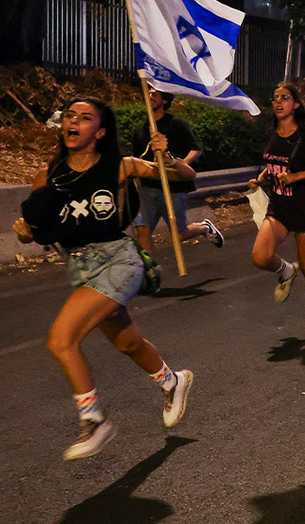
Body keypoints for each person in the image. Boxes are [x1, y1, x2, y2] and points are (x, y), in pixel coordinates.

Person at [12, 98, 196, 460]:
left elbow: (185, 177)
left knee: (61, 340)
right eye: (69, 115)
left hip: (117, 261)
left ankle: (93, 421)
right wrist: (23, 233)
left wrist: (168, 156)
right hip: (79, 267)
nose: (73, 121)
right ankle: (173, 381)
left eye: (85, 117)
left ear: (99, 132)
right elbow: (35, 230)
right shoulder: (48, 176)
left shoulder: (120, 166)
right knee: (128, 344)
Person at [248, 82, 305, 335]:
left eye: (285, 97)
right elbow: (273, 163)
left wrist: (297, 177)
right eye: (275, 97)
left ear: (296, 104)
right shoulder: (272, 133)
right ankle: (287, 271)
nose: (278, 102)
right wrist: (262, 177)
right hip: (278, 208)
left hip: (304, 209)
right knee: (260, 257)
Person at [132, 89, 223, 255]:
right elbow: (136, 158)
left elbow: (196, 149)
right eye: (148, 94)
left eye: (154, 94)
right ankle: (146, 268)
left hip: (173, 188)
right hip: (147, 188)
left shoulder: (176, 124)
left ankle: (204, 228)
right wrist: (136, 184)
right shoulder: (140, 128)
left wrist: (181, 165)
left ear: (165, 100)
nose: (150, 97)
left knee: (179, 234)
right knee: (143, 233)